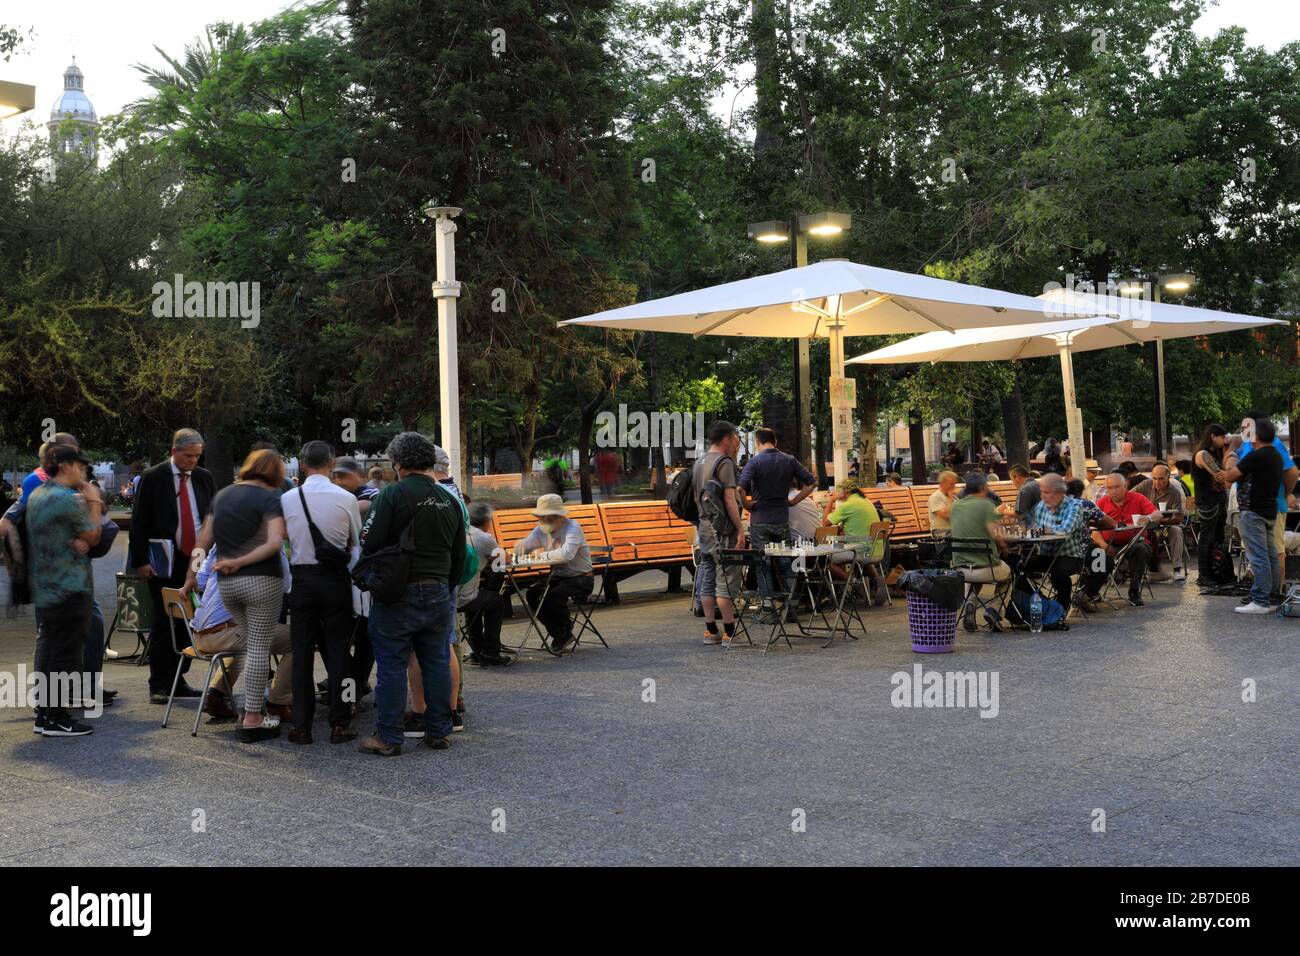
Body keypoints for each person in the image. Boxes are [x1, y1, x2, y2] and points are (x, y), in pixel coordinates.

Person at [356, 432, 465, 756]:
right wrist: (444, 587)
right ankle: (440, 731)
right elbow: (459, 555)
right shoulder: (450, 500)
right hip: (438, 593)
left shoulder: (391, 495)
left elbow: (369, 539)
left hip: (397, 594)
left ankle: (388, 738)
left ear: (398, 462)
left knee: (391, 664)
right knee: (436, 661)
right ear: (430, 463)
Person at [182, 449, 288, 742]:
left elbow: (202, 542)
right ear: (275, 472)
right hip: (261, 581)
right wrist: (241, 561)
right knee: (258, 644)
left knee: (252, 640)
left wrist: (191, 577)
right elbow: (276, 542)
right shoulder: (271, 498)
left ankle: (240, 703)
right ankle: (254, 716)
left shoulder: (224, 496)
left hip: (228, 586)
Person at [280, 440, 362, 745]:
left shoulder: (288, 498)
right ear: (331, 464)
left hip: (302, 580)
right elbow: (355, 542)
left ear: (302, 464)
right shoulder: (346, 497)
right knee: (339, 650)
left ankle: (301, 725)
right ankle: (340, 721)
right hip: (335, 580)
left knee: (301, 652)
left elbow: (286, 538)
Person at [129, 429, 216, 705]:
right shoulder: (154, 477)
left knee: (190, 621)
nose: (193, 461)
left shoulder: (204, 478)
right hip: (164, 560)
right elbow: (139, 521)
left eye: (197, 456)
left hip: (198, 558)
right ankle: (159, 683)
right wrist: (140, 561)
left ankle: (178, 679)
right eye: (188, 455)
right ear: (174, 451)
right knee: (164, 620)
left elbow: (211, 518)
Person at [26, 445, 103, 737]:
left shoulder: (37, 494)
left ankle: (44, 715)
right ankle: (57, 718)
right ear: (66, 465)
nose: (82, 471)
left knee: (50, 649)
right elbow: (92, 535)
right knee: (66, 655)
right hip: (70, 587)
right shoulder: (66, 499)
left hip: (45, 586)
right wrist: (94, 502)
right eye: (79, 465)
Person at [190, 543, 295, 722]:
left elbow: (199, 580)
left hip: (199, 634)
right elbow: (286, 585)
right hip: (223, 633)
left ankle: (215, 695)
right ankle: (278, 703)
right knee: (299, 639)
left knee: (246, 637)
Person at [738, 427, 816, 621]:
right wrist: (794, 501)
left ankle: (767, 607)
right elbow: (811, 483)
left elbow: (739, 488)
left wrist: (747, 504)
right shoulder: (788, 460)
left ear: (757, 442)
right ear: (775, 441)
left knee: (762, 563)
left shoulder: (754, 462)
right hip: (781, 519)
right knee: (786, 560)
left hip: (760, 520)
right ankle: (791, 604)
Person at [1227, 411, 1298, 605]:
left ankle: (1266, 597)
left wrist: (1284, 493)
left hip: (1264, 507)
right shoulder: (1253, 447)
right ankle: (1269, 594)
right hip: (1263, 507)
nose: (1243, 431)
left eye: (1245, 427)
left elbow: (1292, 472)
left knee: (1269, 553)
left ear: (1255, 428)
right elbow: (1234, 463)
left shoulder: (1270, 447)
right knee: (1267, 553)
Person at [692, 420, 746, 646]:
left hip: (703, 529)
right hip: (723, 530)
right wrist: (740, 528)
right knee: (727, 578)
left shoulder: (699, 462)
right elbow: (729, 501)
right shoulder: (724, 463)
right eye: (736, 439)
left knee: (707, 576)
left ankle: (710, 630)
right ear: (726, 438)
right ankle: (729, 632)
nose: (737, 445)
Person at [516, 494, 593, 652]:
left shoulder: (573, 528)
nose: (542, 521)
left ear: (558, 516)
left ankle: (564, 630)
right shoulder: (542, 528)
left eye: (547, 517)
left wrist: (540, 555)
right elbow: (527, 545)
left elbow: (566, 555)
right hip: (557, 577)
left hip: (580, 578)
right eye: (541, 517)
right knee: (532, 594)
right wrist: (519, 548)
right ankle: (560, 633)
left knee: (553, 596)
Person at [332, 456, 377, 698]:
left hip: (364, 577)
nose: (338, 481)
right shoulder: (346, 496)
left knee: (363, 632)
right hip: (346, 576)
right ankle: (347, 679)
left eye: (343, 476)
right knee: (347, 632)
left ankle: (355, 683)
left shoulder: (369, 495)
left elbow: (357, 509)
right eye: (335, 476)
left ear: (358, 475)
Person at [1022, 472, 1099, 613]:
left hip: (1070, 556)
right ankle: (1039, 602)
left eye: (1046, 492)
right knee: (1018, 566)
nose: (1042, 496)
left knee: (1059, 572)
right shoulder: (1042, 506)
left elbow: (1067, 529)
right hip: (1046, 555)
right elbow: (1028, 525)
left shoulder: (1074, 506)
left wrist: (1045, 529)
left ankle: (1062, 608)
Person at [949, 472, 1011, 627]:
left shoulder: (955, 506)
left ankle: (970, 603)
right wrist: (1004, 548)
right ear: (983, 488)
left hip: (960, 569)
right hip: (985, 569)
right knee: (1009, 574)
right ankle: (994, 610)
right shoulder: (987, 505)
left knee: (977, 569)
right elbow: (995, 534)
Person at [458, 501, 510, 666]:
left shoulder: (459, 531)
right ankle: (490, 652)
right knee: (496, 601)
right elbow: (505, 559)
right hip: (464, 597)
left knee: (479, 597)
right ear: (487, 521)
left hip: (448, 595)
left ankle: (476, 649)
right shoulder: (483, 537)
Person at [1093, 472, 1157, 606]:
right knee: (1093, 551)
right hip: (1109, 543)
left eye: (1116, 487)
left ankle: (1134, 590)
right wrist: (1103, 545)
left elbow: (1157, 514)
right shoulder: (1102, 502)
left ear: (1125, 486)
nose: (1113, 491)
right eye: (1110, 488)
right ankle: (1091, 591)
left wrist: (1149, 518)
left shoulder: (1137, 498)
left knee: (1139, 548)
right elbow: (1094, 530)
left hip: (1133, 541)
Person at [823, 477, 886, 585]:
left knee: (825, 560)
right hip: (876, 549)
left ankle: (855, 583)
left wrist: (831, 500)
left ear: (845, 491)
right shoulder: (866, 501)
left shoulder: (848, 505)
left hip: (860, 550)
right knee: (839, 546)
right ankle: (877, 580)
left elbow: (825, 522)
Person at [1132, 464, 1188, 582]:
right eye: (1155, 478)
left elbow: (1179, 518)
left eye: (1161, 478)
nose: (1157, 482)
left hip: (1165, 525)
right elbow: (1130, 496)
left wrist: (1161, 519)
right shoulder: (1146, 485)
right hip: (1146, 525)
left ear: (1168, 478)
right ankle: (1142, 569)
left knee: (1176, 530)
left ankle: (1177, 568)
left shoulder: (1174, 492)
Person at [1192, 424, 1229, 584]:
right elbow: (1219, 476)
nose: (1225, 440)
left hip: (1218, 501)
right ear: (1213, 436)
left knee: (1218, 537)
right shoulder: (1202, 454)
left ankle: (1217, 571)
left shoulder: (1214, 453)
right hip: (1208, 503)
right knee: (1206, 537)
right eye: (1222, 437)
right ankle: (1204, 575)